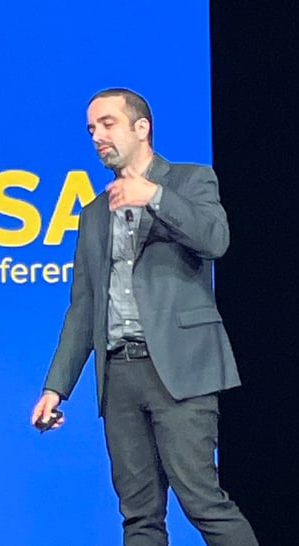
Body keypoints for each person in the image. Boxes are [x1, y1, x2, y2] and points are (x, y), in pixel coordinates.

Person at [30, 88, 258, 546]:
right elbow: (83, 307)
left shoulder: (191, 181)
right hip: (119, 376)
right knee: (139, 516)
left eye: (107, 124)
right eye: (91, 129)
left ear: (141, 128)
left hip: (180, 370)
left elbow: (215, 241)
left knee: (203, 502)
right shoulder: (94, 214)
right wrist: (56, 388)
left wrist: (153, 195)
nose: (97, 136)